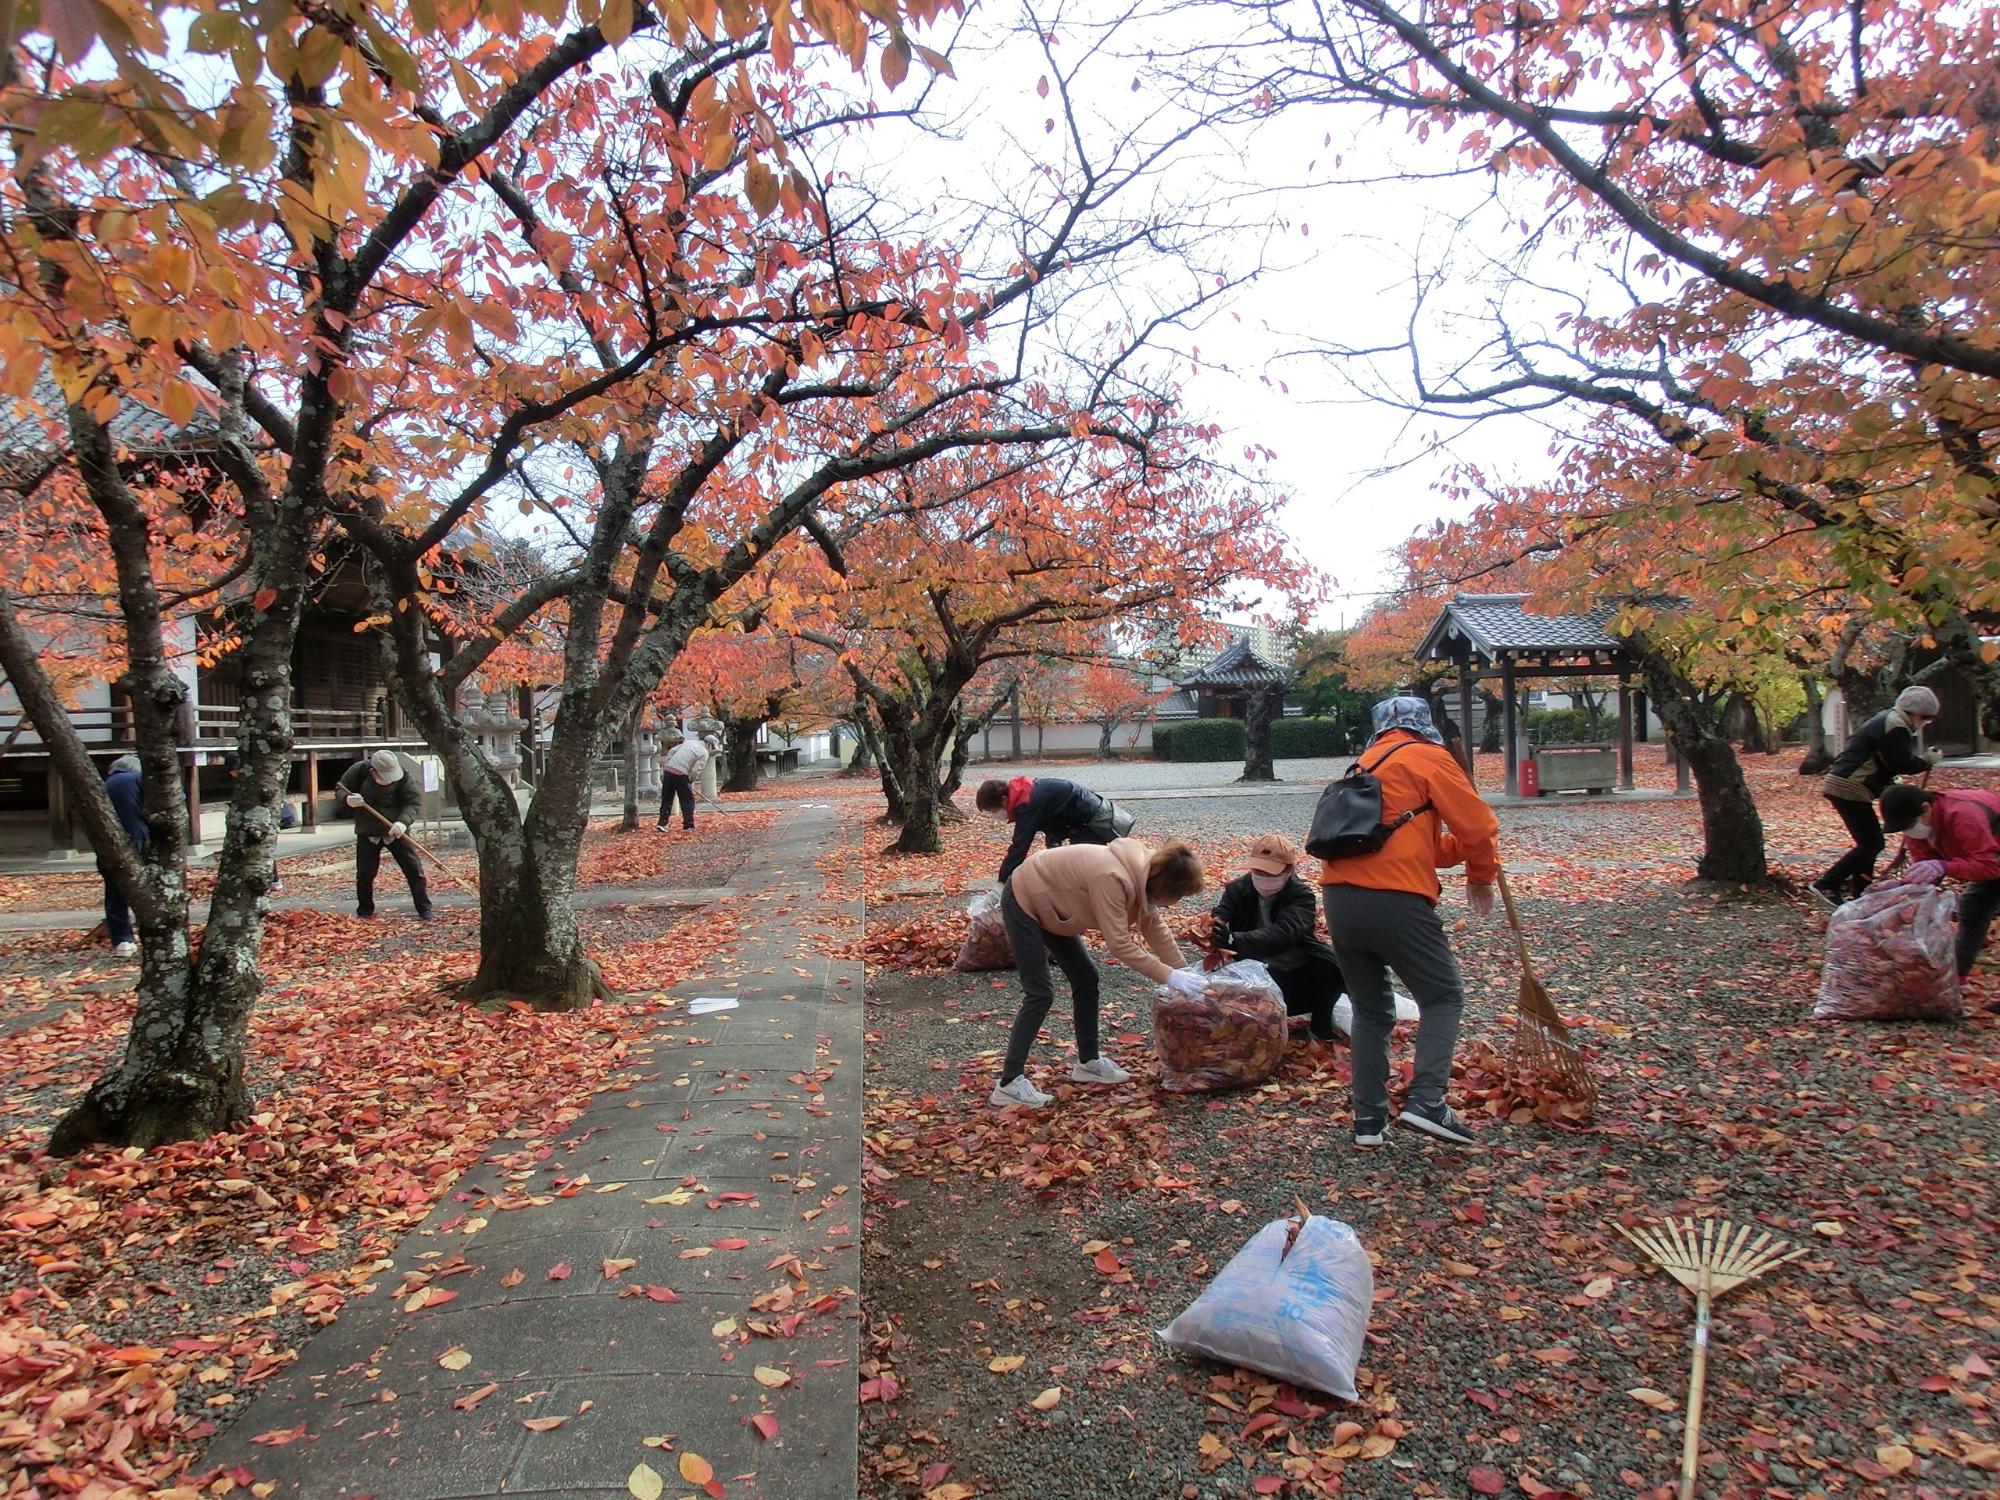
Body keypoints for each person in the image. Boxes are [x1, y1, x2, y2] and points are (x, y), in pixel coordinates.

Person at [1320, 696, 1499, 1149]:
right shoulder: (1429, 757)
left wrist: (1461, 849)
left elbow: (1426, 846)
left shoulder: (1362, 765)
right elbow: (1478, 827)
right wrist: (1482, 875)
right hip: (1395, 900)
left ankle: (1368, 1121)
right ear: (1426, 726)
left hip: (1340, 898)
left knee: (1371, 1010)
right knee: (1442, 996)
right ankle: (1428, 1101)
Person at [990, 838, 1205, 1108]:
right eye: (1178, 897)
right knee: (1040, 993)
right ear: (1165, 887)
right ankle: (1009, 1083)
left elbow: (1154, 927)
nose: (1175, 903)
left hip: (1056, 906)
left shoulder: (1144, 875)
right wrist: (1170, 976)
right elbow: (1119, 944)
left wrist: (1185, 971)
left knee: (1086, 978)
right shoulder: (1112, 876)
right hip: (1025, 898)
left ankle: (1088, 1062)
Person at [1812, 686, 1942, 908]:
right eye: (1925, 720)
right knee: (1872, 843)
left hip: (1847, 783)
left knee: (1868, 843)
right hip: (1850, 785)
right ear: (1918, 714)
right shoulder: (1896, 725)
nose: (1922, 725)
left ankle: (1862, 895)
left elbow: (1882, 762)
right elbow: (1899, 762)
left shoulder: (1887, 719)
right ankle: (1827, 883)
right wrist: (1926, 761)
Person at [1209, 833, 1344, 1045]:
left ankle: (1320, 1022)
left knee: (1333, 969)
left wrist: (1235, 939)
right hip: (1252, 968)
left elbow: (1284, 932)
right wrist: (1214, 926)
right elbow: (1222, 912)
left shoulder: (1301, 895)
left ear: (1289, 869)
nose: (1262, 876)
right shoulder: (1237, 889)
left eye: (1270, 872)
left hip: (1295, 971)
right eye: (1257, 870)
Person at [1880, 782, 2000, 979]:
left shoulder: (1963, 815)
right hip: (1990, 856)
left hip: (1991, 854)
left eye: (1909, 825)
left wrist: (1946, 866)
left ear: (1926, 808)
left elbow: (1989, 866)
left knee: (1976, 904)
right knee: (1972, 910)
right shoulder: (1918, 829)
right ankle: (1955, 977)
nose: (1909, 832)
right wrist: (1903, 891)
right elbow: (1925, 870)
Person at [977, 775, 1126, 883]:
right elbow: (1051, 821)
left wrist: (1001, 881)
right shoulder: (1024, 793)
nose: (994, 815)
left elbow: (1020, 845)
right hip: (1077, 822)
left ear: (1003, 799)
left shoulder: (1027, 801)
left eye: (993, 810)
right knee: (1072, 869)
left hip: (1091, 821)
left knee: (1085, 871)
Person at [338, 749, 431, 920]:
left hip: (395, 831)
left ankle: (424, 907)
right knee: (365, 874)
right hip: (368, 831)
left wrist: (403, 822)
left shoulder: (403, 775)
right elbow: (341, 789)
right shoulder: (359, 771)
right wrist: (348, 800)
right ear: (373, 771)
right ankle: (365, 911)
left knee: (414, 870)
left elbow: (413, 802)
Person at [98, 755, 147, 959]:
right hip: (140, 840)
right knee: (149, 891)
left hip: (108, 845)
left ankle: (122, 940)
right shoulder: (138, 779)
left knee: (114, 893)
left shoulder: (102, 785)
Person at [657, 733, 719, 831]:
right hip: (681, 773)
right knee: (687, 799)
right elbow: (696, 770)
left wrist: (668, 764)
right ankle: (688, 825)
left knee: (667, 798)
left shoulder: (689, 742)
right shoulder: (704, 752)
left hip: (669, 771)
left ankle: (662, 823)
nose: (712, 750)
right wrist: (690, 780)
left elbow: (672, 751)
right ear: (709, 744)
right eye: (713, 747)